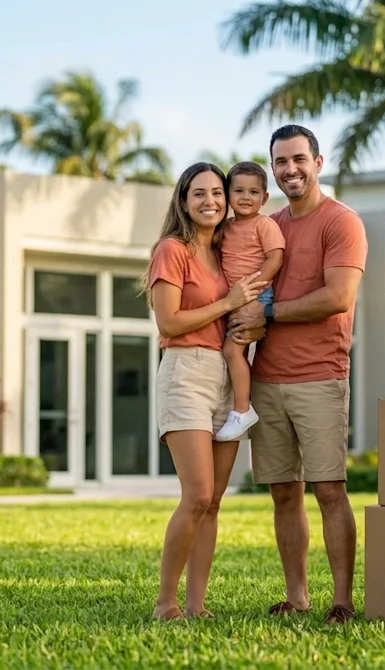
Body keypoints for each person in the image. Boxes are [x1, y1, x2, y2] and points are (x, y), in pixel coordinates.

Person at [228, 125, 368, 625]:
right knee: (283, 491)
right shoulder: (267, 225)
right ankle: (298, 596)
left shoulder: (341, 223)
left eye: (298, 159)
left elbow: (338, 298)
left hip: (320, 376)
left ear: (318, 162)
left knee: (329, 489)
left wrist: (269, 316)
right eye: (280, 162)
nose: (289, 170)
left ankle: (343, 601)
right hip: (265, 377)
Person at [142, 161, 269, 622]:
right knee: (196, 495)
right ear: (183, 199)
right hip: (185, 372)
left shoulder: (224, 252)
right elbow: (169, 322)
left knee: (214, 500)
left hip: (226, 373)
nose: (210, 201)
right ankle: (166, 603)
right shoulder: (170, 250)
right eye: (199, 193)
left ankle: (196, 605)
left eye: (218, 192)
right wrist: (228, 302)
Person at [213, 161, 286, 443]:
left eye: (254, 192)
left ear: (264, 198)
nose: (246, 197)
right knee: (234, 352)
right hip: (234, 297)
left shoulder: (264, 224)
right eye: (239, 191)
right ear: (228, 195)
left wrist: (254, 291)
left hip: (255, 295)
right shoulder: (226, 227)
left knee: (233, 351)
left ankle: (243, 409)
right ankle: (237, 406)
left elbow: (276, 258)